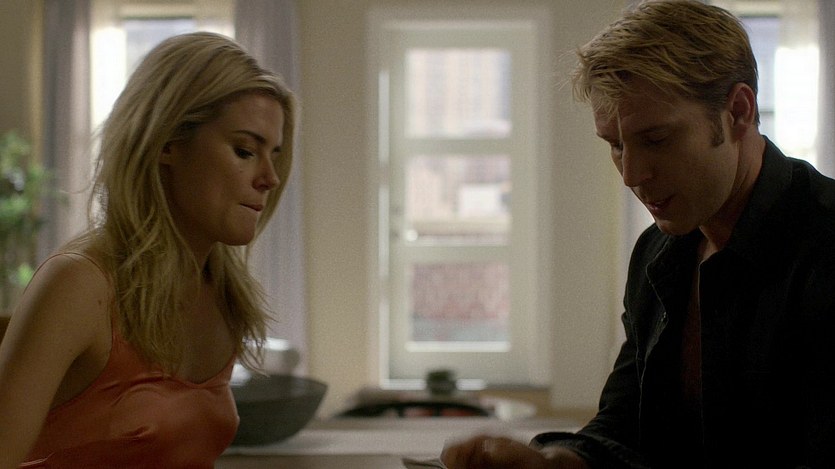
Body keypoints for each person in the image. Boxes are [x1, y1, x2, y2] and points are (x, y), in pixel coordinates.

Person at [441, 0, 835, 467]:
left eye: (657, 140)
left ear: (738, 111)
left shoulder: (824, 243)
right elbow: (624, 427)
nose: (630, 174)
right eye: (615, 145)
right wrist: (550, 463)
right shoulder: (658, 252)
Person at [0, 31, 297, 468]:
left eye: (275, 154)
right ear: (167, 143)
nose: (270, 178)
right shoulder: (79, 286)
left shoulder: (224, 295)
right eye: (244, 150)